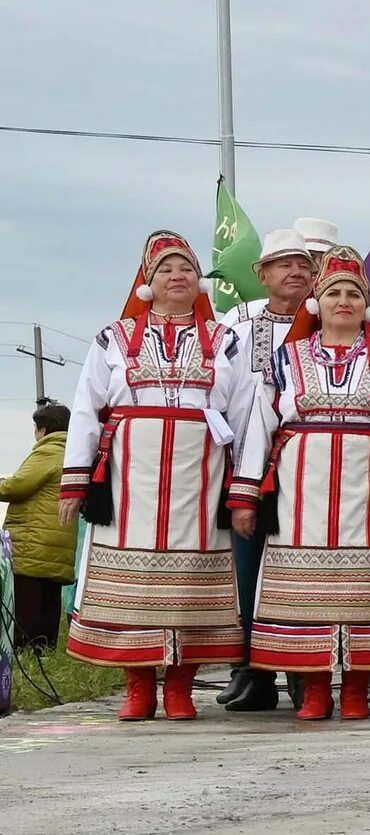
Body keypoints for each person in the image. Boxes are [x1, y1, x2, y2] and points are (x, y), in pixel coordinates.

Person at [59, 230, 260, 721]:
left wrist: (244, 489)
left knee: (192, 580)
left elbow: (244, 414)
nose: (178, 276)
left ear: (200, 281)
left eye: (187, 268)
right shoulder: (114, 337)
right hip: (131, 476)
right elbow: (88, 407)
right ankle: (138, 687)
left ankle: (180, 689)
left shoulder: (225, 341)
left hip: (201, 475)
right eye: (166, 269)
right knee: (137, 581)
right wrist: (75, 479)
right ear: (147, 282)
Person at [227, 246, 370, 721]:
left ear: (367, 304)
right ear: (317, 303)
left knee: (368, 588)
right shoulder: (285, 360)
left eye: (354, 293)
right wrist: (246, 494)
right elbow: (259, 427)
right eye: (335, 292)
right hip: (302, 490)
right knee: (304, 589)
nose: (345, 301)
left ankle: (357, 689)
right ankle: (315, 688)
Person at [214, 220, 331, 712]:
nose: (296, 273)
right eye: (285, 264)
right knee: (245, 567)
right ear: (263, 273)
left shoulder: (330, 323)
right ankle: (253, 669)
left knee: (300, 567)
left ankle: (303, 669)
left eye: (305, 266)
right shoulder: (238, 330)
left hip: (310, 466)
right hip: (245, 459)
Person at [5, 402, 76, 649]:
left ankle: (25, 652)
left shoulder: (48, 451)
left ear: (43, 430)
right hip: (58, 543)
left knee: (27, 605)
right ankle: (45, 652)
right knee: (49, 602)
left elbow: (18, 486)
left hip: (33, 543)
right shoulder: (73, 452)